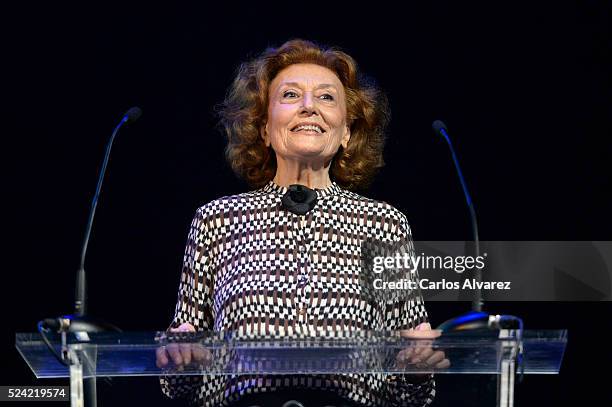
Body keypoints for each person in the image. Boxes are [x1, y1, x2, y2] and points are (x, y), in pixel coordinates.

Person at [156, 39, 449, 407]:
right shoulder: (216, 220)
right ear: (263, 128)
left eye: (326, 98)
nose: (309, 107)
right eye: (291, 95)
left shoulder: (385, 225)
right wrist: (179, 361)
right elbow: (179, 382)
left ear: (346, 133)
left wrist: (416, 370)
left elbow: (411, 391)